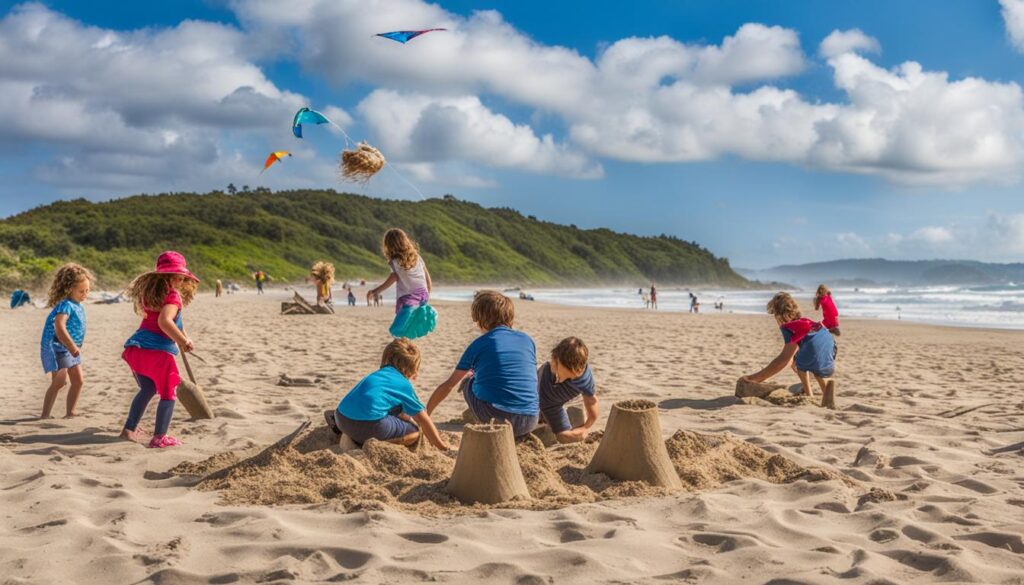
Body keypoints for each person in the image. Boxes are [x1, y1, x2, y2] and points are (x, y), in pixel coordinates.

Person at [426, 291, 539, 438]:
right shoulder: (527, 340)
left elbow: (448, 385)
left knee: (468, 381)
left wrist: (425, 415)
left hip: (499, 418)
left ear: (480, 319)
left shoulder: (480, 343)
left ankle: (483, 423)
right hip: (530, 419)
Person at [119, 251, 199, 448]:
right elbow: (165, 321)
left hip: (135, 350)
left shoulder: (151, 295)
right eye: (179, 278)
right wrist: (183, 341)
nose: (181, 282)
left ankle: (129, 429)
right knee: (168, 392)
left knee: (147, 388)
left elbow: (174, 322)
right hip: (157, 353)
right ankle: (159, 437)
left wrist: (183, 338)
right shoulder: (173, 296)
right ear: (168, 277)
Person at [325, 338, 449, 450]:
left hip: (341, 416)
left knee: (393, 408)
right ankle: (363, 443)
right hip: (369, 426)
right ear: (412, 369)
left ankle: (345, 431)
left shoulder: (378, 375)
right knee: (414, 432)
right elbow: (423, 419)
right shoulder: (403, 384)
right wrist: (441, 445)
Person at [742, 292, 836, 409]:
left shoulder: (787, 327)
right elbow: (808, 341)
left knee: (802, 367)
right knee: (812, 366)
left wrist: (757, 377)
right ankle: (826, 392)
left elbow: (784, 359)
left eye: (775, 315)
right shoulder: (804, 321)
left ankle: (809, 395)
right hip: (829, 342)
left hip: (816, 347)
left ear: (781, 316)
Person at [39, 263, 93, 418]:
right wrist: (71, 346)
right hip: (59, 347)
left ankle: (70, 412)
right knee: (59, 382)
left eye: (87, 290)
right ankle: (45, 415)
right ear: (69, 289)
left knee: (78, 381)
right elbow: (59, 326)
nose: (85, 294)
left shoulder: (78, 305)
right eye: (81, 291)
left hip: (71, 349)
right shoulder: (66, 305)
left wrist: (73, 347)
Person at [367, 228, 436, 338]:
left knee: (397, 333)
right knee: (408, 331)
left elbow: (393, 277)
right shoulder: (417, 257)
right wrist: (426, 296)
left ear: (389, 246)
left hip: (409, 300)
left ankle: (400, 350)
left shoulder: (395, 262)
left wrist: (376, 291)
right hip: (423, 296)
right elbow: (428, 280)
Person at [538, 337, 598, 443]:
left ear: (576, 370)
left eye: (557, 364)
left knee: (563, 437)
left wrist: (585, 427)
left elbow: (592, 403)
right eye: (554, 360)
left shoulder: (583, 379)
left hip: (552, 405)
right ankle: (540, 417)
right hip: (542, 393)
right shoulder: (547, 371)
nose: (553, 363)